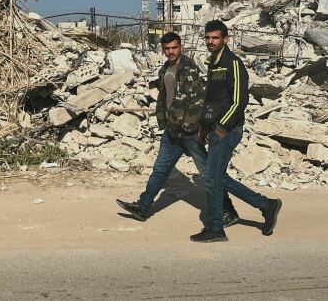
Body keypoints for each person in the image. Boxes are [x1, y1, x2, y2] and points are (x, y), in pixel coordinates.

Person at [116, 32, 238, 226]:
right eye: (167, 49)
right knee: (160, 170)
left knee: (208, 174)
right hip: (172, 130)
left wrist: (189, 128)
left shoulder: (188, 68)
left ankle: (228, 211)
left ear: (181, 47)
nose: (171, 52)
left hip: (188, 133)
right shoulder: (166, 69)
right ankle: (143, 207)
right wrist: (166, 123)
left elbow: (197, 102)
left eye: (174, 48)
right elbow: (166, 99)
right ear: (163, 50)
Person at [189, 20, 282, 243]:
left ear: (225, 39)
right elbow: (212, 100)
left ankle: (215, 228)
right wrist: (203, 127)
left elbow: (240, 100)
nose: (211, 42)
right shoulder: (213, 63)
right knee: (217, 177)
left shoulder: (233, 63)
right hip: (214, 129)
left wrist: (222, 127)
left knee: (211, 179)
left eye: (215, 38)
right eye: (208, 38)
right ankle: (266, 205)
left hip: (227, 131)